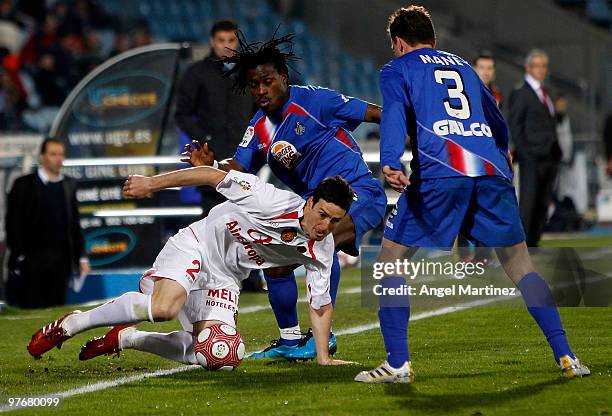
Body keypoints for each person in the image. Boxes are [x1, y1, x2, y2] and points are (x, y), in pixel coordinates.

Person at [354, 5, 589, 383]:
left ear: (398, 42)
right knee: (521, 267)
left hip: (444, 170)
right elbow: (495, 115)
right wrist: (502, 156)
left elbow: (395, 112)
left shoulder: (397, 68)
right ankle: (567, 356)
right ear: (433, 38)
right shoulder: (463, 65)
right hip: (491, 170)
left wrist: (390, 160)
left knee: (389, 262)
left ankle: (398, 363)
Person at [181, 32, 386, 360]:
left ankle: (324, 338)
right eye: (253, 84)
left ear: (283, 78)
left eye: (267, 81)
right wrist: (212, 166)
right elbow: (238, 168)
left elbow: (378, 114)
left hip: (358, 195)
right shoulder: (259, 127)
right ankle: (290, 342)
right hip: (310, 209)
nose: (261, 90)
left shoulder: (316, 101)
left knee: (323, 241)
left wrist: (399, 155)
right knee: (274, 261)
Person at [27, 166, 354, 367]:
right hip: (197, 244)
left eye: (334, 221)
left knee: (223, 357)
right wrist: (152, 184)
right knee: (166, 307)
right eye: (322, 214)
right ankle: (72, 324)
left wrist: (323, 357)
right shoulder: (267, 199)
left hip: (225, 279)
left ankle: (127, 339)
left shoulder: (321, 247)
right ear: (309, 202)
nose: (325, 225)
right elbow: (212, 176)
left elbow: (320, 305)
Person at [174, 19, 256, 217]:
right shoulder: (197, 73)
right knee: (213, 222)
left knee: (246, 223)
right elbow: (181, 114)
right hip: (213, 159)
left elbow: (261, 109)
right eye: (221, 40)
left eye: (231, 40)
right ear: (212, 41)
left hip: (245, 160)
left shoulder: (250, 73)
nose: (227, 45)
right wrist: (205, 138)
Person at [5, 137, 90, 308]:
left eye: (61, 154)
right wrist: (18, 254)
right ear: (42, 157)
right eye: (53, 154)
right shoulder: (23, 184)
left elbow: (74, 223)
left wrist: (81, 257)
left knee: (56, 310)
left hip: (60, 260)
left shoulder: (69, 185)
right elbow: (13, 223)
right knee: (29, 308)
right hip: (31, 260)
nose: (59, 158)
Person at [508, 49, 562, 247]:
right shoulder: (521, 93)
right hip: (532, 157)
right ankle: (525, 244)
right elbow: (515, 125)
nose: (541, 70)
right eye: (537, 65)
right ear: (528, 67)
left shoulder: (545, 94)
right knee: (529, 202)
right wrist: (525, 152)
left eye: (544, 66)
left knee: (542, 202)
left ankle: (535, 241)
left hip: (549, 157)